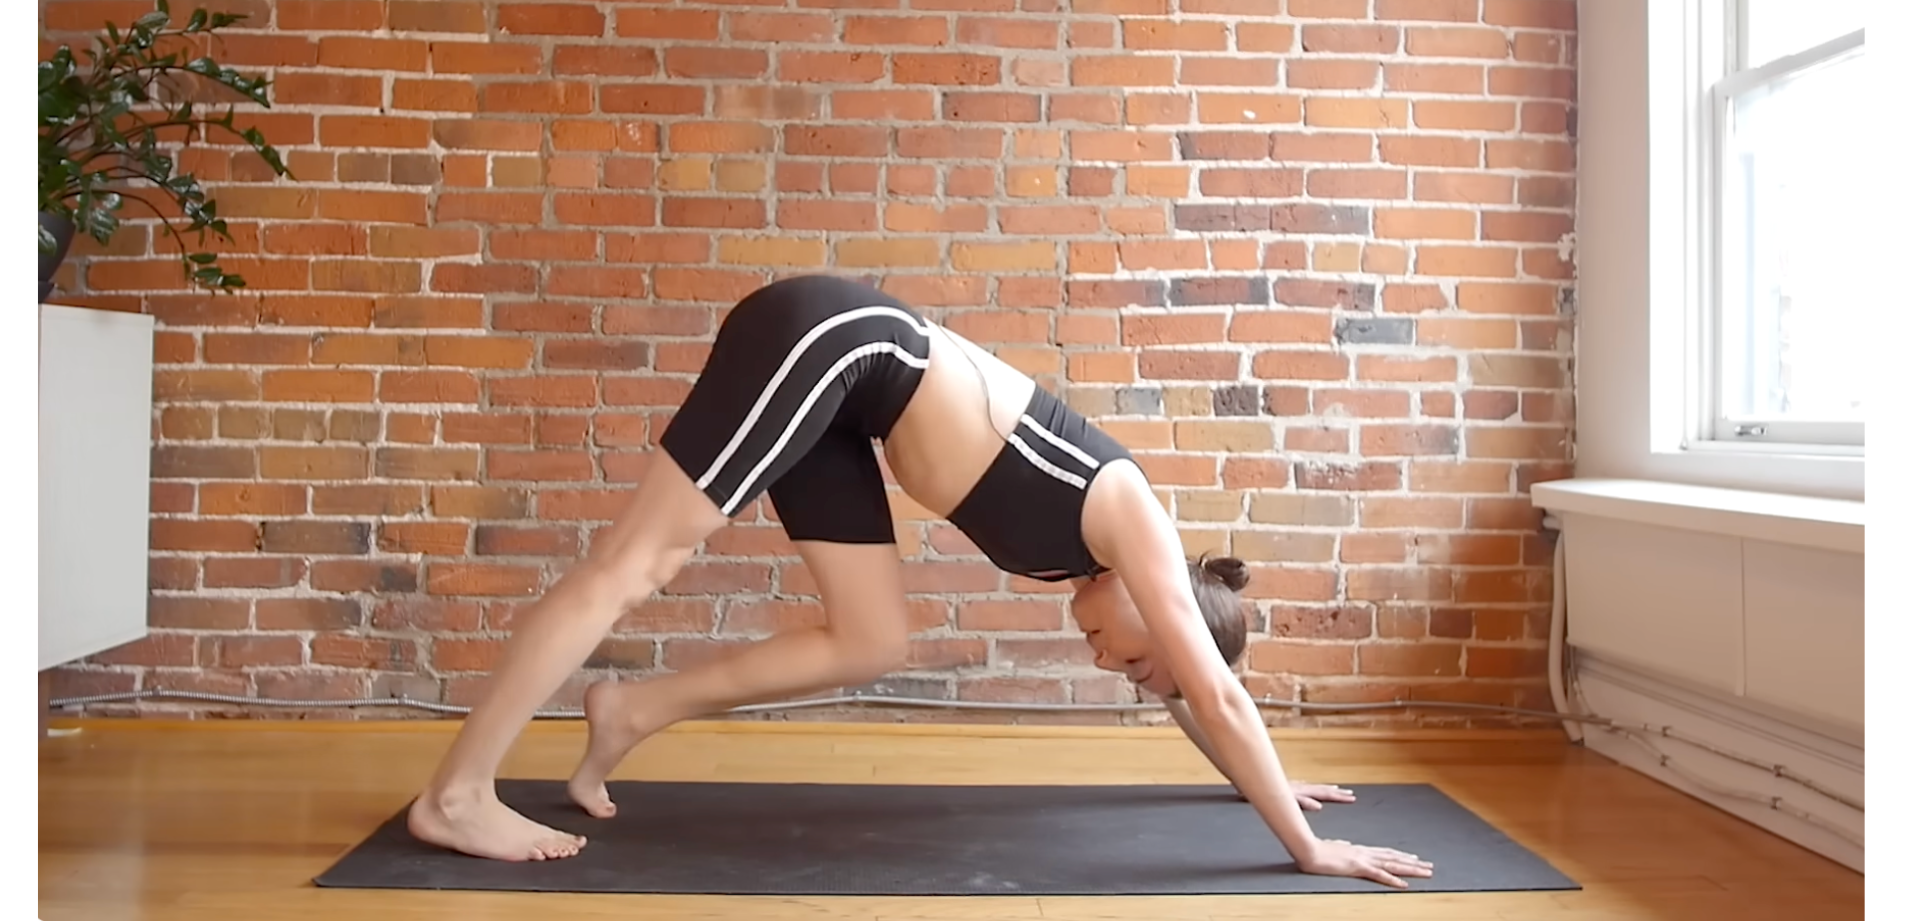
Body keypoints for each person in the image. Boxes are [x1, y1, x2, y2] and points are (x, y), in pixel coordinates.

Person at [405, 274, 1433, 889]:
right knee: (637, 563)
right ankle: (456, 794)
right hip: (836, 344)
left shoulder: (1109, 572)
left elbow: (1198, 695)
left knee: (870, 641)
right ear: (1179, 620)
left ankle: (628, 710)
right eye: (1135, 663)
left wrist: (1257, 773)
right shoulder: (1137, 518)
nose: (1109, 663)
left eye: (1126, 678)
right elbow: (1206, 684)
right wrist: (1306, 846)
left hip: (849, 409)